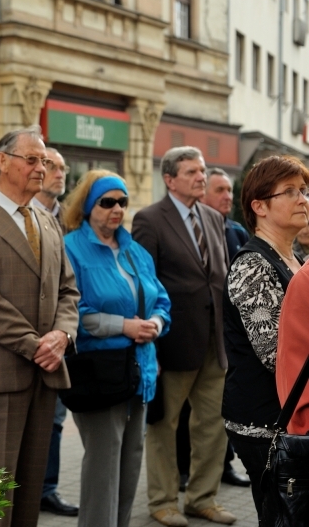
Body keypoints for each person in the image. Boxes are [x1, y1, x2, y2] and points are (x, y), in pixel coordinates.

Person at [0, 126, 80, 527]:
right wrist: (35, 344)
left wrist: (62, 335)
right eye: (32, 159)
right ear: (2, 161)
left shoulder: (46, 220)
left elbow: (68, 291)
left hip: (45, 373)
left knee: (27, 494)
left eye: (45, 161)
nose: (41, 168)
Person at [62, 170, 171, 527]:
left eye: (122, 202)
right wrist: (124, 326)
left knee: (130, 466)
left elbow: (161, 300)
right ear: (89, 206)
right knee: (103, 470)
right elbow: (71, 311)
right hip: (100, 373)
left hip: (141, 372)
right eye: (107, 202)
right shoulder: (72, 247)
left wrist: (155, 323)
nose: (116, 209)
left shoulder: (135, 250)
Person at [132, 146, 234, 526]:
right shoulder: (149, 219)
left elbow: (217, 279)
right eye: (192, 171)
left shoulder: (212, 217)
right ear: (170, 179)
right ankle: (162, 502)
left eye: (202, 170)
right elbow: (144, 283)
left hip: (214, 342)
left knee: (213, 424)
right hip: (172, 341)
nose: (201, 177)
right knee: (163, 426)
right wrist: (150, 346)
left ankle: (201, 498)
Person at [224, 155, 308, 522]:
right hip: (265, 424)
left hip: (289, 414)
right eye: (289, 191)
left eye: (304, 189)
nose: (303, 198)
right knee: (281, 517)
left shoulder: (297, 257)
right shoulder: (252, 265)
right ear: (259, 206)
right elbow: (276, 353)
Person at [178, 167, 250, 490]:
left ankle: (223, 467)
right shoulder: (186, 227)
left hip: (227, 336)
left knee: (222, 409)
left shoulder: (236, 232)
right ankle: (182, 470)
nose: (228, 197)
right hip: (191, 334)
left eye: (229, 191)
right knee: (182, 413)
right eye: (220, 190)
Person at [32, 147, 78, 517]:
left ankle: (46, 488)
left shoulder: (70, 220)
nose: (60, 173)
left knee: (56, 421)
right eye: (52, 166)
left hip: (63, 338)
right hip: (26, 339)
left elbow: (70, 285)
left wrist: (65, 331)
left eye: (63, 168)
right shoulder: (22, 214)